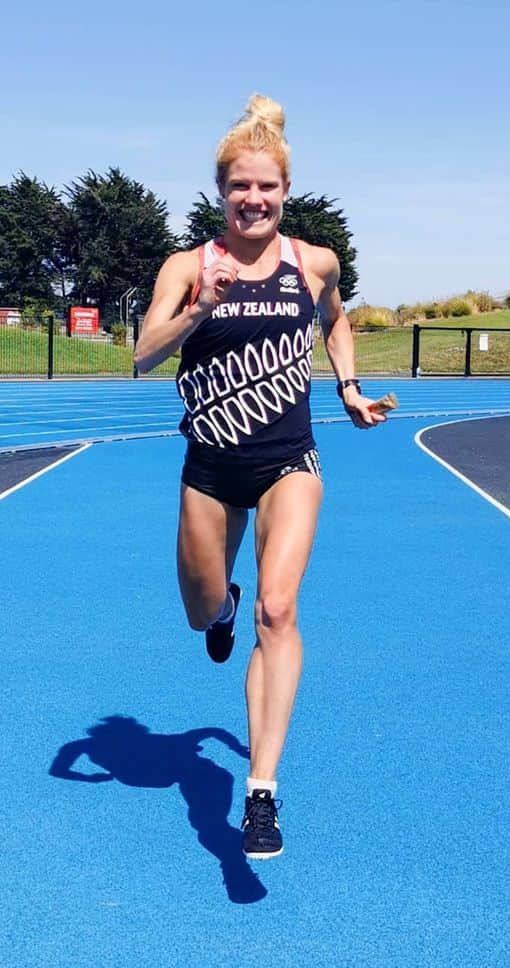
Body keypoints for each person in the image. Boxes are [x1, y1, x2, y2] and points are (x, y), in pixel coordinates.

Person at [133, 94, 389, 861]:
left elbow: (335, 320)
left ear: (285, 190)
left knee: (279, 611)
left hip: (288, 460)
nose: (254, 199)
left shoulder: (313, 263)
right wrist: (196, 312)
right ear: (220, 192)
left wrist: (345, 385)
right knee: (202, 610)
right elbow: (143, 353)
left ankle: (262, 792)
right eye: (240, 187)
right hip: (211, 467)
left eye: (267, 187)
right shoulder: (188, 267)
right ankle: (222, 610)